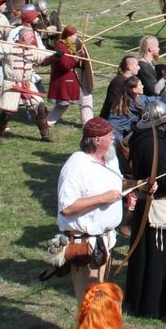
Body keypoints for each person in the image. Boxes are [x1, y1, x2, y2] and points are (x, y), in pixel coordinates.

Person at [123, 100, 166, 318]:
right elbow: (161, 177)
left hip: (148, 205)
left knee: (146, 257)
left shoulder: (144, 138)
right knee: (156, 259)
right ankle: (154, 305)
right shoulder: (153, 144)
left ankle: (141, 301)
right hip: (156, 206)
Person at [57, 117, 124, 304]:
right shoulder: (76, 166)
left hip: (105, 242)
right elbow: (67, 208)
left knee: (100, 299)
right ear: (97, 140)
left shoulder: (110, 160)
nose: (114, 139)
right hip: (86, 246)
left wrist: (135, 188)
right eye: (110, 136)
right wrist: (103, 198)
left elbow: (116, 185)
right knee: (90, 302)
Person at [0, 25, 54, 144]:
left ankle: (45, 135)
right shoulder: (7, 47)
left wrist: (55, 58)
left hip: (27, 83)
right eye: (31, 37)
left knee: (39, 106)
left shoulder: (32, 49)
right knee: (7, 111)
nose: (33, 39)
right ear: (23, 37)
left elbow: (43, 61)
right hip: (11, 83)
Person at [45, 26, 85, 126]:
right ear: (68, 36)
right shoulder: (61, 47)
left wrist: (79, 56)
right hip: (64, 79)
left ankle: (48, 122)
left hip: (68, 78)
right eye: (74, 35)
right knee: (64, 103)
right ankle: (47, 122)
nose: (76, 37)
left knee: (67, 103)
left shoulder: (68, 45)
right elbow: (66, 65)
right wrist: (76, 58)